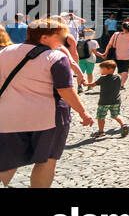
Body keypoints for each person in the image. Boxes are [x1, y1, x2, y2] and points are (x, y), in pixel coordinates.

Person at [0, 18, 94, 188]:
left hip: (9, 117)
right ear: (44, 37)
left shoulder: (5, 52)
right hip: (47, 118)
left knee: (8, 161)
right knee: (46, 161)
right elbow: (65, 90)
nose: (63, 40)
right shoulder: (55, 57)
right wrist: (83, 112)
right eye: (60, 36)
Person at [89, 60, 126, 138]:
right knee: (116, 115)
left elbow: (93, 84)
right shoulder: (118, 77)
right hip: (116, 101)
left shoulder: (102, 79)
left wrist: (85, 83)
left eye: (102, 69)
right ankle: (123, 125)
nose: (101, 71)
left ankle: (101, 131)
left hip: (104, 102)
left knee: (101, 117)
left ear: (110, 69)